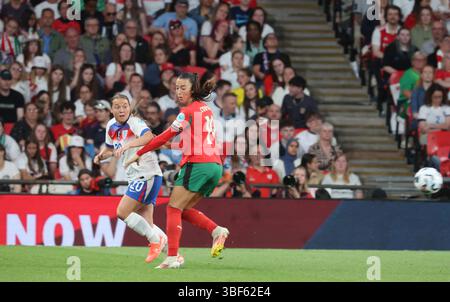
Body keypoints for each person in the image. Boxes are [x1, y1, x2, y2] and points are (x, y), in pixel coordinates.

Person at [125, 73, 229, 269]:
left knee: (173, 208)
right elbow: (187, 141)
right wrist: (164, 146)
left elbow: (166, 135)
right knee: (183, 209)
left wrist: (140, 152)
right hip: (214, 166)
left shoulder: (187, 111)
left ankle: (172, 257)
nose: (178, 91)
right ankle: (217, 231)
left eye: (183, 87)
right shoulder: (206, 109)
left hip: (197, 165)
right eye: (176, 87)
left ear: (193, 89)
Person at [93, 93, 167, 264]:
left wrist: (128, 145)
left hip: (146, 174)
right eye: (117, 107)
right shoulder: (111, 126)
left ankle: (155, 242)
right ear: (111, 110)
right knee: (148, 224)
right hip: (139, 176)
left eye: (125, 106)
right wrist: (101, 156)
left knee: (122, 212)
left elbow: (149, 137)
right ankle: (173, 255)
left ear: (129, 108)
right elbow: (112, 149)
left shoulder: (135, 122)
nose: (121, 110)